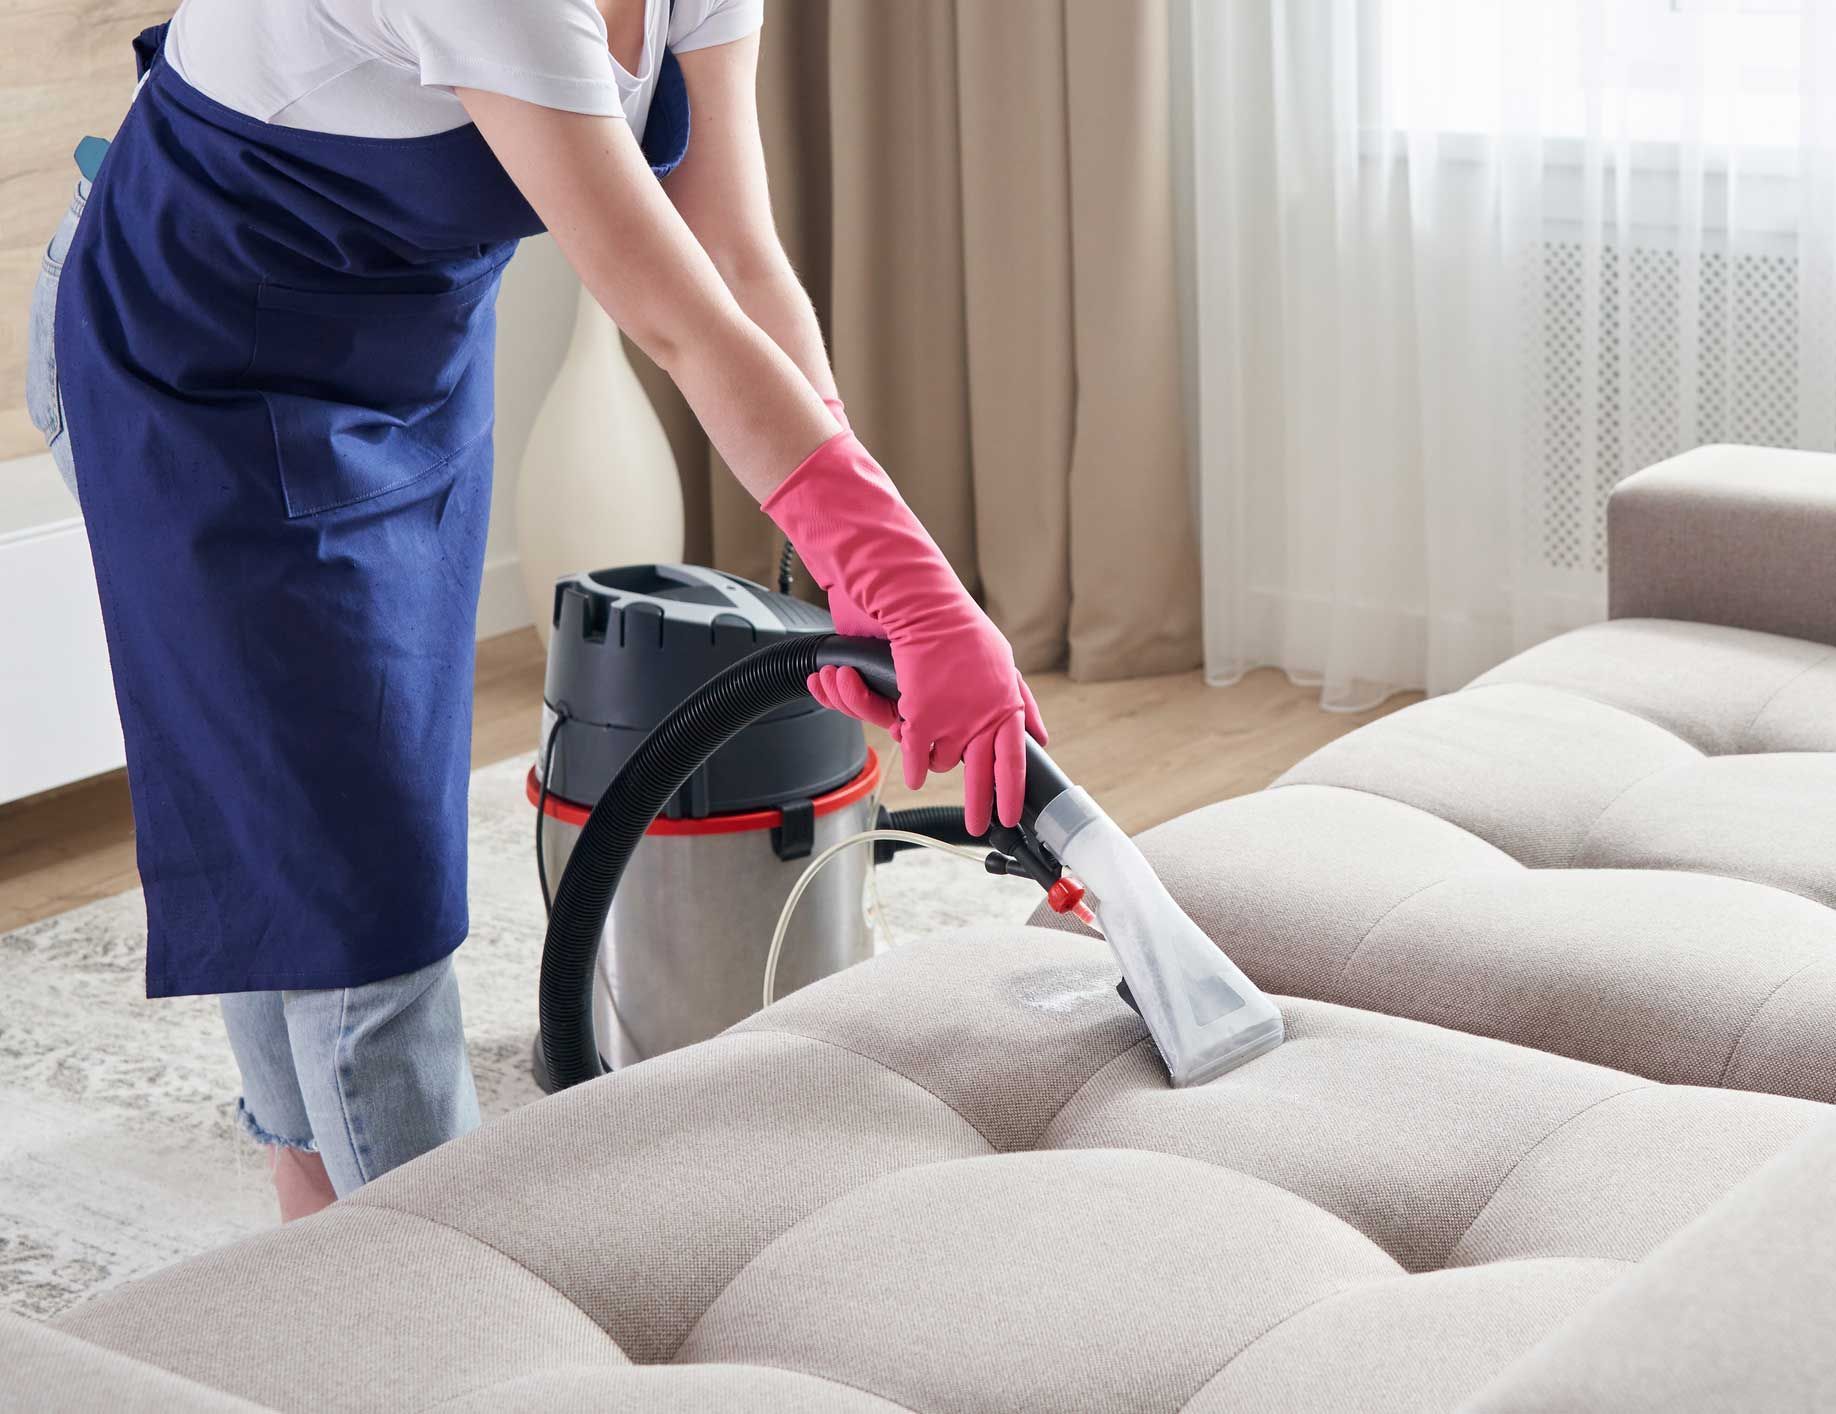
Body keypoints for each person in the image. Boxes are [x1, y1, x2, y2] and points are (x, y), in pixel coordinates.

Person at [30, 0, 1046, 1222]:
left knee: (301, 810)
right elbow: (674, 316)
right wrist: (909, 582)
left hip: (401, 363)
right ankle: (462, 1294)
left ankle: (310, 1227)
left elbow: (731, 255)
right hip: (190, 354)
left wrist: (859, 572)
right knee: (364, 885)